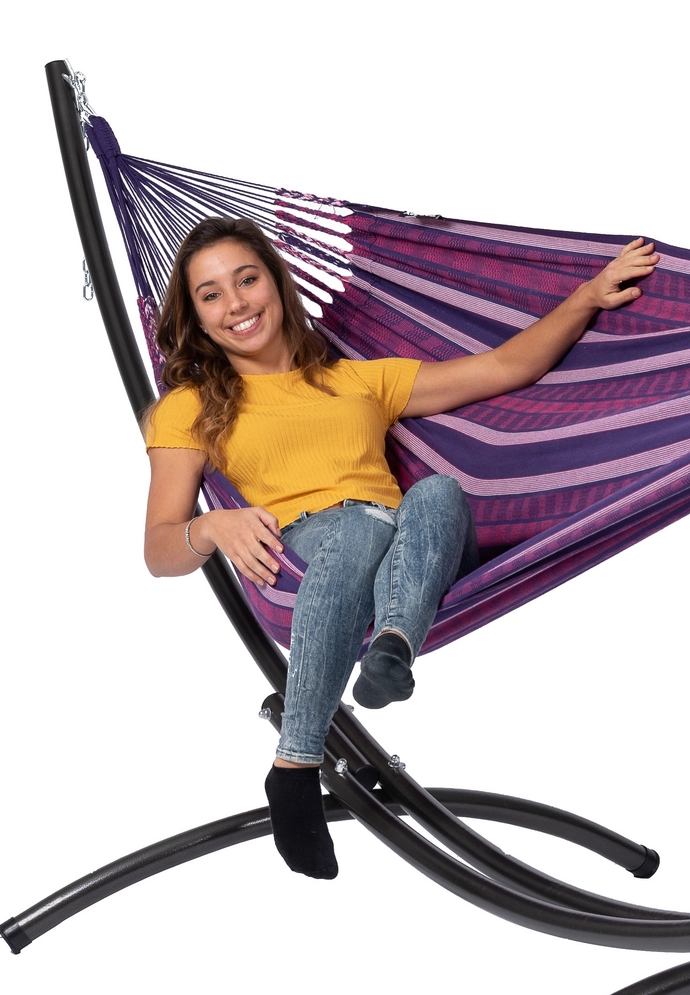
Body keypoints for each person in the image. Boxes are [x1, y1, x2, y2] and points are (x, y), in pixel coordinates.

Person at [143, 216, 658, 879]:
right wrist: (211, 528)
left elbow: (506, 367)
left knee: (439, 491)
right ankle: (296, 762)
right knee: (358, 524)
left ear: (276, 282)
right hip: (306, 559)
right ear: (197, 318)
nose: (236, 303)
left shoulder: (358, 380)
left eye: (247, 280)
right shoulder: (189, 407)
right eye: (211, 294)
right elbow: (159, 548)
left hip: (414, 552)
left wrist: (588, 295)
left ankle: (392, 647)